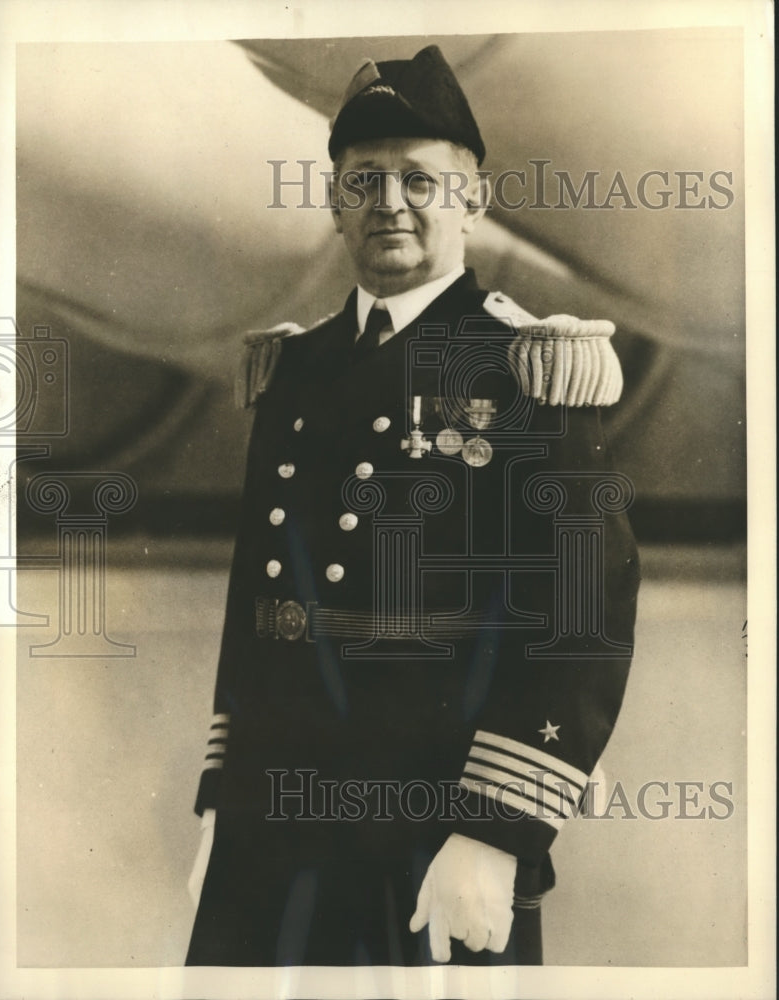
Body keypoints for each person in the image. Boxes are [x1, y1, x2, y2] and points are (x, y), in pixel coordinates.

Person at [185, 44, 640, 967]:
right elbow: (256, 612)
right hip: (268, 827)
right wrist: (220, 806)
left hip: (427, 836)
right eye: (363, 181)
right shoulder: (294, 370)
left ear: (473, 201)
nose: (388, 202)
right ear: (332, 203)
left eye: (419, 180)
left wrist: (496, 830)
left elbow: (581, 616)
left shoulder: (524, 370)